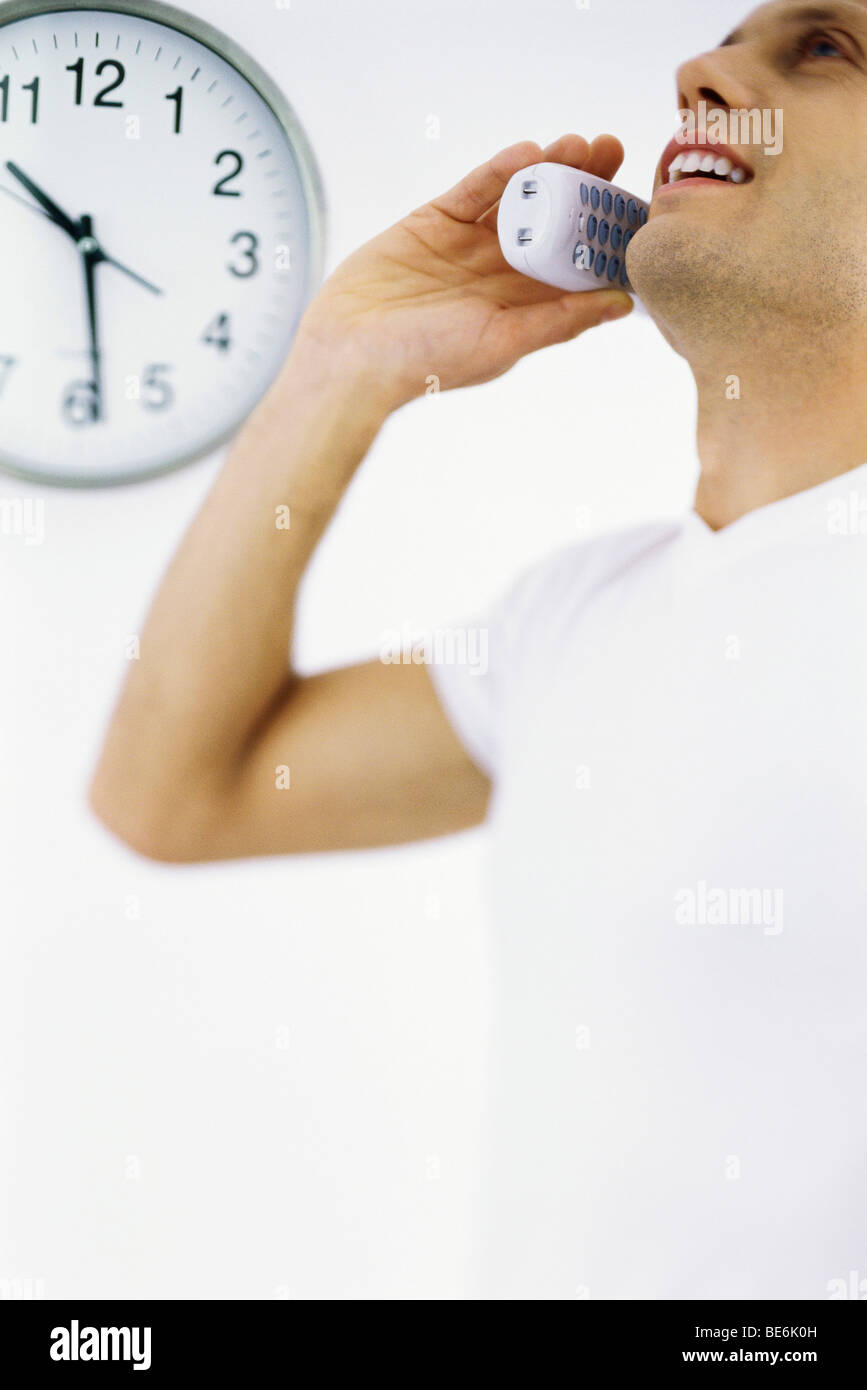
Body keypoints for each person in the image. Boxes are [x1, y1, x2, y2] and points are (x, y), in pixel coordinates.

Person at [89, 0, 867, 1298]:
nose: (701, 71)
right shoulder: (571, 616)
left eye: (826, 48)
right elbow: (174, 791)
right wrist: (345, 366)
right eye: (729, 40)